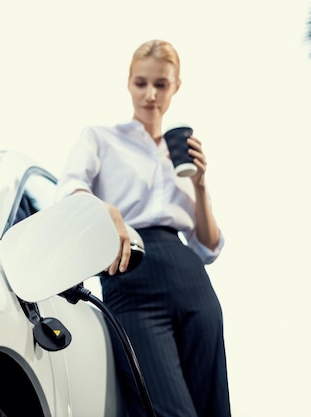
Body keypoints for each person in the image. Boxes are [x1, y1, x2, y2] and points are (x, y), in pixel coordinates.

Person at [55, 39, 231, 417]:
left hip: (192, 279)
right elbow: (69, 189)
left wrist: (200, 185)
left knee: (212, 407)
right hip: (130, 272)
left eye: (161, 85)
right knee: (163, 408)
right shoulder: (100, 138)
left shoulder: (182, 153)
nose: (150, 94)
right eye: (141, 83)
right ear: (129, 83)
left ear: (176, 87)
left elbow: (209, 247)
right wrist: (106, 210)